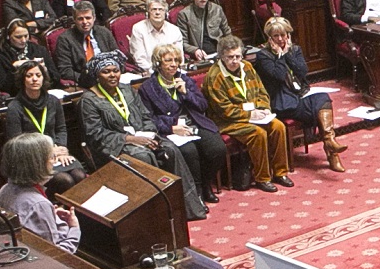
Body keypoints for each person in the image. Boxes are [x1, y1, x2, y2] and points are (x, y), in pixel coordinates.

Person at [77, 55, 208, 219]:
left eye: (115, 71)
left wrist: (149, 135)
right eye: (106, 72)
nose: (112, 75)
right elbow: (95, 135)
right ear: (97, 75)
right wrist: (131, 139)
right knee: (142, 157)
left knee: (170, 149)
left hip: (143, 138)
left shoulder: (127, 90)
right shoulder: (89, 100)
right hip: (113, 145)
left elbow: (146, 117)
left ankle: (187, 208)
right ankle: (157, 214)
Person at [139, 43, 229, 205]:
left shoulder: (185, 79)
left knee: (217, 148)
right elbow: (149, 119)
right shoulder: (148, 88)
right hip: (172, 130)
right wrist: (172, 127)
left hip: (194, 123)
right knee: (190, 152)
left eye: (176, 60)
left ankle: (207, 183)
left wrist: (186, 93)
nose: (173, 64)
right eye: (168, 60)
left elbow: (202, 105)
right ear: (158, 63)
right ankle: (197, 193)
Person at [255, 17, 346, 172]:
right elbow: (278, 74)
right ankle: (331, 151)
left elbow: (303, 72)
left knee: (323, 98)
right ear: (269, 38)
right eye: (276, 36)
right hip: (281, 100)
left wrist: (288, 54)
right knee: (317, 107)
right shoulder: (263, 55)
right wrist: (280, 56)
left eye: (283, 35)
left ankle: (329, 141)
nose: (280, 39)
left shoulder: (295, 50)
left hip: (299, 94)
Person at [204, 36, 293, 192]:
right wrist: (251, 115)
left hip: (255, 113)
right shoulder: (214, 77)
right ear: (222, 57)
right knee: (257, 134)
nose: (235, 61)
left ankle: (280, 173)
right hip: (227, 121)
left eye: (238, 56)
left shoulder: (247, 67)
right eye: (230, 57)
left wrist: (264, 108)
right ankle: (262, 178)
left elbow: (261, 91)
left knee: (278, 127)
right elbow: (224, 110)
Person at [2, 59, 84, 195]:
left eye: (38, 75)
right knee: (65, 180)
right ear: (22, 79)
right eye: (29, 76)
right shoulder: (14, 107)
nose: (34, 79)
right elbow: (17, 142)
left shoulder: (53, 101)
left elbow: (61, 129)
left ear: (43, 78)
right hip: (32, 158)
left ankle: (79, 213)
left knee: (80, 176)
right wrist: (48, 152)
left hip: (56, 152)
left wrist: (60, 148)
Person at [0, 133, 80, 254]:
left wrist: (52, 217)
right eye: (52, 157)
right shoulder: (38, 205)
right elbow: (56, 254)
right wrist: (74, 228)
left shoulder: (4, 191)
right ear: (38, 164)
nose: (54, 162)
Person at [51, 2, 122, 89]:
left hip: (110, 78)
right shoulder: (65, 39)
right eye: (80, 19)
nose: (85, 22)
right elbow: (65, 70)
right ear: (74, 19)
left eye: (88, 18)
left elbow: (116, 57)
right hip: (85, 84)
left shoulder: (104, 32)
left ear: (94, 18)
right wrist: (85, 79)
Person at [176, 0, 231, 67]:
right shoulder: (184, 14)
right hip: (200, 58)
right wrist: (195, 50)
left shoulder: (217, 9)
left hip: (220, 54)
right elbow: (182, 42)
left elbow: (227, 33)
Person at [126, 0, 182, 74]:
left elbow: (179, 57)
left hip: (172, 71)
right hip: (150, 73)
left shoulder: (174, 30)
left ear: (166, 12)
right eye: (154, 9)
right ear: (148, 12)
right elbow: (140, 59)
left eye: (161, 9)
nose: (157, 12)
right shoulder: (138, 29)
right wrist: (156, 72)